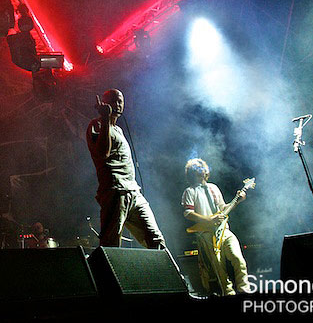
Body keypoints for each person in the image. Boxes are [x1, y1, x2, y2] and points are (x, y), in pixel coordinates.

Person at [86, 89, 166, 250]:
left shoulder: (119, 130)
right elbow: (103, 152)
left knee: (156, 240)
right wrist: (105, 119)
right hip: (115, 192)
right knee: (111, 244)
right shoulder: (97, 125)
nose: (117, 104)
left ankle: (161, 267)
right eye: (113, 100)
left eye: (120, 101)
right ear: (104, 103)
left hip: (133, 192)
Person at [181, 158, 248, 295]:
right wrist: (209, 219)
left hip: (224, 230)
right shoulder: (190, 191)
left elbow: (223, 208)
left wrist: (237, 201)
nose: (202, 170)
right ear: (192, 172)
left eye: (202, 167)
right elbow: (188, 213)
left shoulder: (213, 188)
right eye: (197, 168)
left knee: (238, 259)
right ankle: (228, 294)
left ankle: (244, 290)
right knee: (218, 267)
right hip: (206, 233)